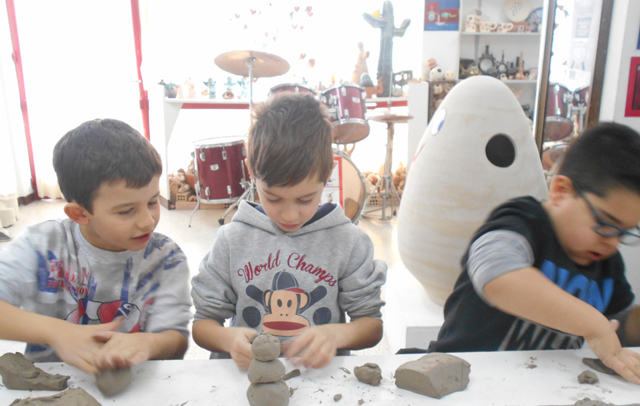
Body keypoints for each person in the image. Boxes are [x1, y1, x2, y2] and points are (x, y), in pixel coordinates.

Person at [429, 122, 640, 385]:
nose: (613, 242)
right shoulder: (522, 222)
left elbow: (619, 328)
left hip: (541, 387)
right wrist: (594, 326)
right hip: (460, 378)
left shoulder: (608, 263)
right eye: (605, 224)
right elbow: (497, 277)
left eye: (624, 232)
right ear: (561, 191)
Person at [191, 93, 386, 370]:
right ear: (251, 171)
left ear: (328, 172)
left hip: (320, 382)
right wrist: (227, 339)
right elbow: (203, 324)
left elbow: (372, 326)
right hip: (247, 380)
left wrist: (336, 335)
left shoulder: (348, 242)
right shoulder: (232, 240)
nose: (290, 215)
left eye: (306, 199)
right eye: (273, 198)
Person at [0, 119, 192, 374]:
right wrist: (57, 332)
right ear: (80, 214)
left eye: (152, 202)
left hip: (139, 387)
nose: (148, 221)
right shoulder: (42, 245)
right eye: (126, 211)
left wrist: (150, 344)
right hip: (50, 383)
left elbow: (175, 339)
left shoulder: (166, 258)